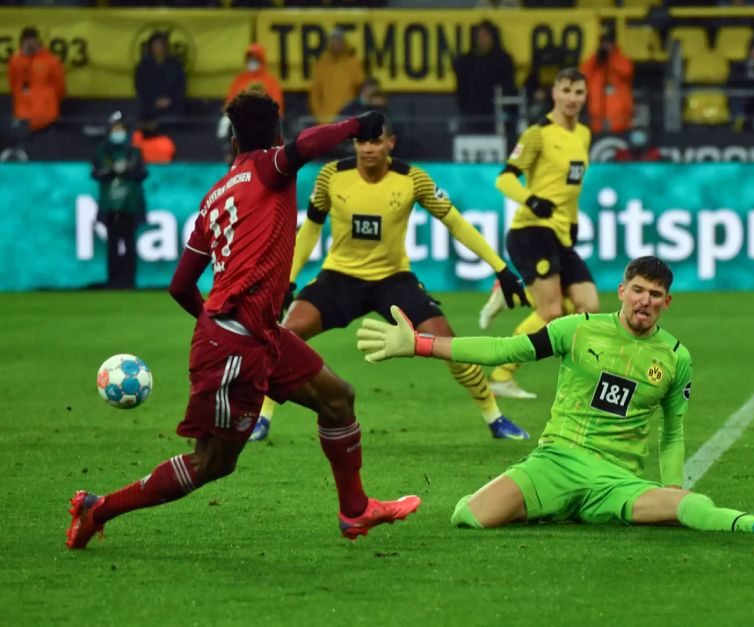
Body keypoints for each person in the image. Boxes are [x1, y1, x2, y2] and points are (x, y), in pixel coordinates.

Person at [65, 93, 419, 550]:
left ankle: (354, 511)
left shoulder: (214, 198)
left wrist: (213, 320)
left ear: (232, 140)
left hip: (253, 333)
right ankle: (98, 508)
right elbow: (308, 146)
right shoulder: (272, 166)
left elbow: (179, 285)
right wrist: (355, 125)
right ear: (276, 135)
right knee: (212, 462)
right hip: (236, 343)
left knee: (337, 399)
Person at [357, 256, 754, 535]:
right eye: (637, 290)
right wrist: (419, 344)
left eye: (655, 295)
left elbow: (673, 431)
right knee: (469, 516)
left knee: (684, 505)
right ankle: (556, 502)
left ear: (667, 303)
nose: (645, 301)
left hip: (615, 480)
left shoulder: (676, 357)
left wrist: (671, 484)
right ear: (621, 291)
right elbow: (504, 348)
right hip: (556, 460)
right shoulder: (577, 329)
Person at [250, 112, 531, 443]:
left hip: (393, 281)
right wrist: (288, 280)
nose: (368, 148)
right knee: (285, 335)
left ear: (390, 143)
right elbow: (310, 228)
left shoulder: (412, 179)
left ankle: (495, 417)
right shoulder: (331, 176)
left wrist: (500, 268)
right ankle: (260, 418)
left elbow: (455, 223)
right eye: (362, 141)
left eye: (376, 141)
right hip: (339, 278)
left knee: (447, 341)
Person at [480, 67, 598, 400]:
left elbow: (572, 189)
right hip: (531, 232)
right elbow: (504, 179)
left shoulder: (584, 135)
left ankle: (513, 293)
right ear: (555, 94)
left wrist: (572, 224)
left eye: (579, 92)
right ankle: (502, 375)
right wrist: (531, 199)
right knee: (550, 313)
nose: (572, 98)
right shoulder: (537, 134)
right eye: (566, 91)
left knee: (587, 306)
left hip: (560, 234)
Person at [92, 112, 148, 290]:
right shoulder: (101, 151)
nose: (118, 132)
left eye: (121, 129)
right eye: (115, 129)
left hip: (130, 205)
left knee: (130, 243)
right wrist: (111, 171)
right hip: (111, 206)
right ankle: (113, 280)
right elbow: (95, 173)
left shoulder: (135, 152)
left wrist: (126, 171)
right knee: (113, 244)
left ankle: (129, 280)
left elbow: (142, 173)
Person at [452, 20, 516, 134]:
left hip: (497, 112)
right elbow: (462, 90)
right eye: (479, 35)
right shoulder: (467, 61)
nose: (482, 39)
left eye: (485, 35)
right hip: (473, 114)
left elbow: (509, 87)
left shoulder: (503, 60)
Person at [6, 27, 65, 134]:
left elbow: (60, 87)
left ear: (39, 41)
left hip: (47, 118)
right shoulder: (15, 61)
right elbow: (13, 83)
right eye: (27, 41)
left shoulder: (51, 61)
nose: (30, 44)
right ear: (21, 42)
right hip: (22, 116)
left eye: (32, 40)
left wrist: (48, 102)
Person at [579, 29, 634, 134]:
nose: (606, 46)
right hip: (597, 121)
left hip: (620, 122)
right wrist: (596, 57)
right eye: (603, 43)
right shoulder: (594, 65)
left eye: (608, 43)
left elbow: (627, 71)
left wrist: (611, 57)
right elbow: (583, 74)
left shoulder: (620, 60)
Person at [310, 28, 366, 123]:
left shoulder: (354, 63)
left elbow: (360, 89)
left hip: (348, 117)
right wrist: (320, 116)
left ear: (344, 42)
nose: (336, 44)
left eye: (338, 41)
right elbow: (315, 94)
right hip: (327, 119)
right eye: (333, 41)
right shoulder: (322, 65)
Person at [135, 31, 186, 118]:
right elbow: (141, 88)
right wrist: (154, 101)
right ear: (150, 47)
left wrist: (170, 100)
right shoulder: (143, 66)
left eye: (161, 44)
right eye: (155, 44)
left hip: (173, 108)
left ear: (166, 46)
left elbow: (181, 86)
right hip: (149, 108)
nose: (158, 47)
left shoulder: (175, 64)